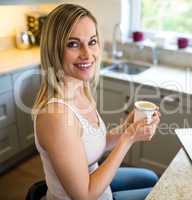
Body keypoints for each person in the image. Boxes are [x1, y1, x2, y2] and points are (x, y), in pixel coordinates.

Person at [32, 4, 160, 200]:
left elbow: (92, 143)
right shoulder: (55, 116)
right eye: (73, 44)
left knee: (151, 177)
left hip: (99, 187)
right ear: (54, 49)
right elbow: (84, 195)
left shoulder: (80, 88)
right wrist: (128, 140)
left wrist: (127, 128)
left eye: (92, 41)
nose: (87, 53)